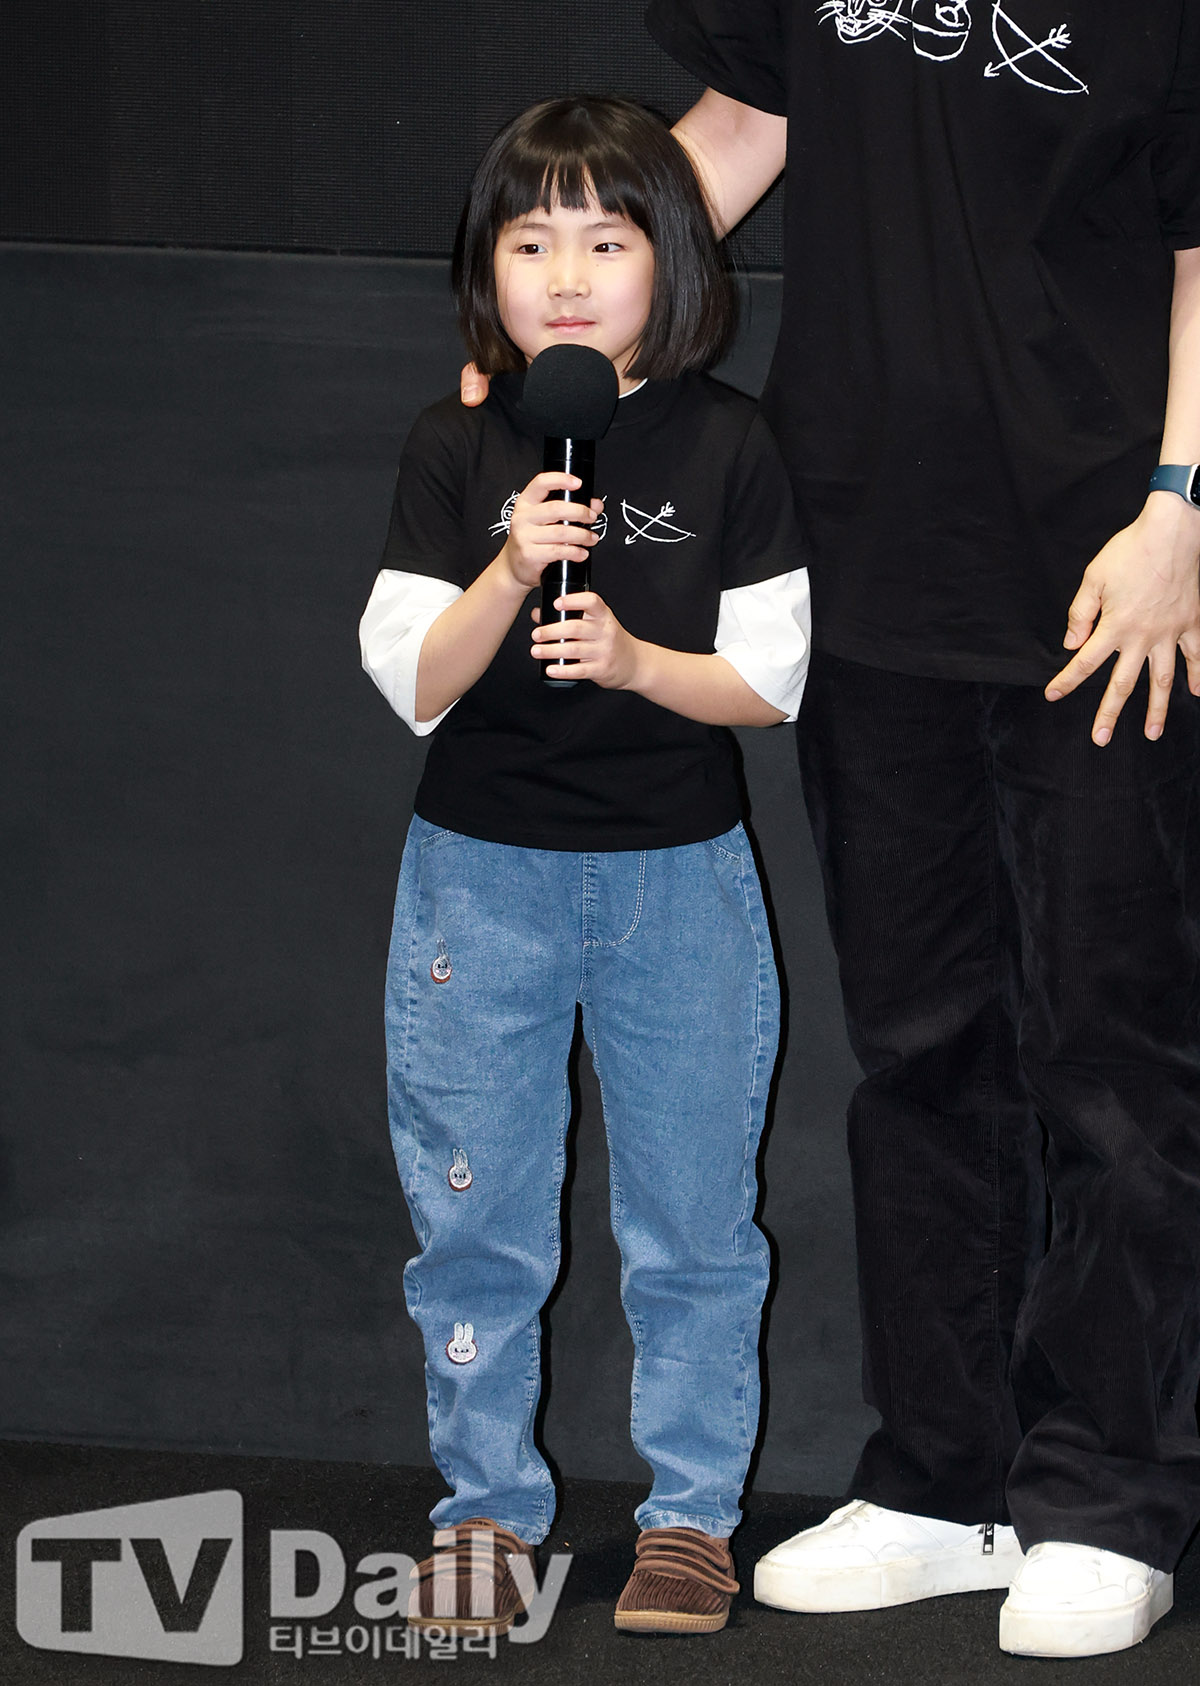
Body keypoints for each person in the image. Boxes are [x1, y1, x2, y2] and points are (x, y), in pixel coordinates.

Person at [621, 0, 1200, 1662]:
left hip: (1107, 575)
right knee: (922, 1043)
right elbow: (738, 130)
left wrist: (1182, 509)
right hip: (865, 552)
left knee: (1113, 1051)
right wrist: (553, 329)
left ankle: (1112, 1495)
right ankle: (948, 1476)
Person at [360, 95, 810, 1637]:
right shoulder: (458, 441)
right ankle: (485, 1514)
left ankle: (689, 1519)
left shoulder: (731, 439)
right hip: (477, 880)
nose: (564, 274)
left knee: (693, 1225)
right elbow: (415, 679)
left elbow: (769, 682)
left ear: (671, 257)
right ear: (484, 268)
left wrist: (633, 660)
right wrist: (510, 564)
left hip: (676, 881)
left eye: (605, 241)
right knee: (475, 1218)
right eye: (530, 240)